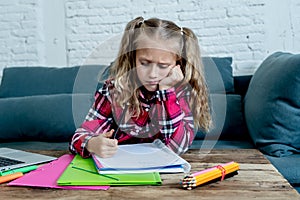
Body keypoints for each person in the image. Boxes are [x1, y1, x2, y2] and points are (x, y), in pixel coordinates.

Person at [69, 16, 212, 158]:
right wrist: (91, 143)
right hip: (119, 167)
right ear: (133, 57)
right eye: (144, 63)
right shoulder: (114, 91)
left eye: (163, 66)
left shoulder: (181, 92)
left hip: (162, 173)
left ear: (177, 64)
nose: (152, 74)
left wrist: (166, 93)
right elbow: (78, 137)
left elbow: (176, 148)